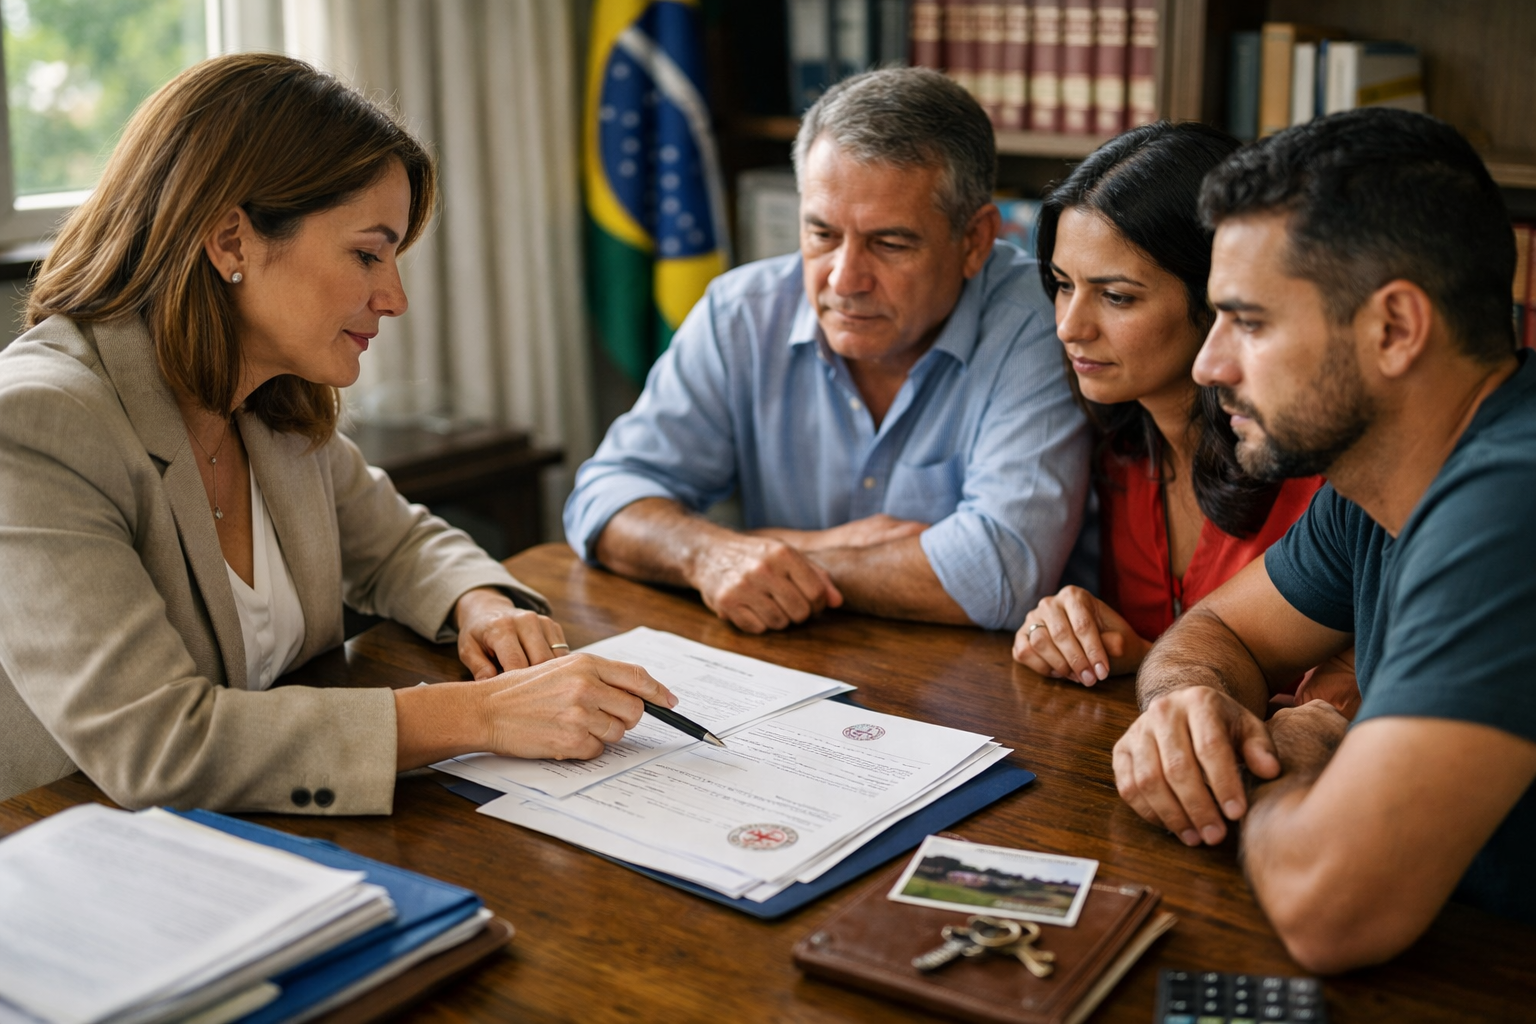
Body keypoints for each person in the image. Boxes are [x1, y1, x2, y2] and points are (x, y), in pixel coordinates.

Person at [0, 53, 675, 811]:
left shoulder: (266, 396)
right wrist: (484, 713)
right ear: (231, 242)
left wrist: (480, 603)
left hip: (278, 839)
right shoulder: (36, 425)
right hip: (83, 859)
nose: (394, 298)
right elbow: (156, 744)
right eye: (366, 254)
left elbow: (400, 544)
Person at [1111, 108, 1536, 971]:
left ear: (1394, 329)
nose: (1208, 365)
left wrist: (1300, 757)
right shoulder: (1379, 479)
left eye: (1250, 322)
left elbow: (1327, 910)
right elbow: (1215, 633)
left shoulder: (1513, 498)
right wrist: (1189, 710)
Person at [564, 67, 1091, 634]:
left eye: (889, 243)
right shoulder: (741, 312)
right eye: (821, 235)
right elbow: (603, 500)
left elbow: (1000, 576)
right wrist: (711, 556)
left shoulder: (1041, 320)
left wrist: (766, 556)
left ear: (976, 241)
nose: (844, 280)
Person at [1010, 122, 1329, 693]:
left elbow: (1338, 701)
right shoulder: (1117, 452)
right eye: (1062, 284)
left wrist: (1152, 657)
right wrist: (1064, 630)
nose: (1068, 327)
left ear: (1219, 296)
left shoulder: (1318, 478)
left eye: (1116, 297)